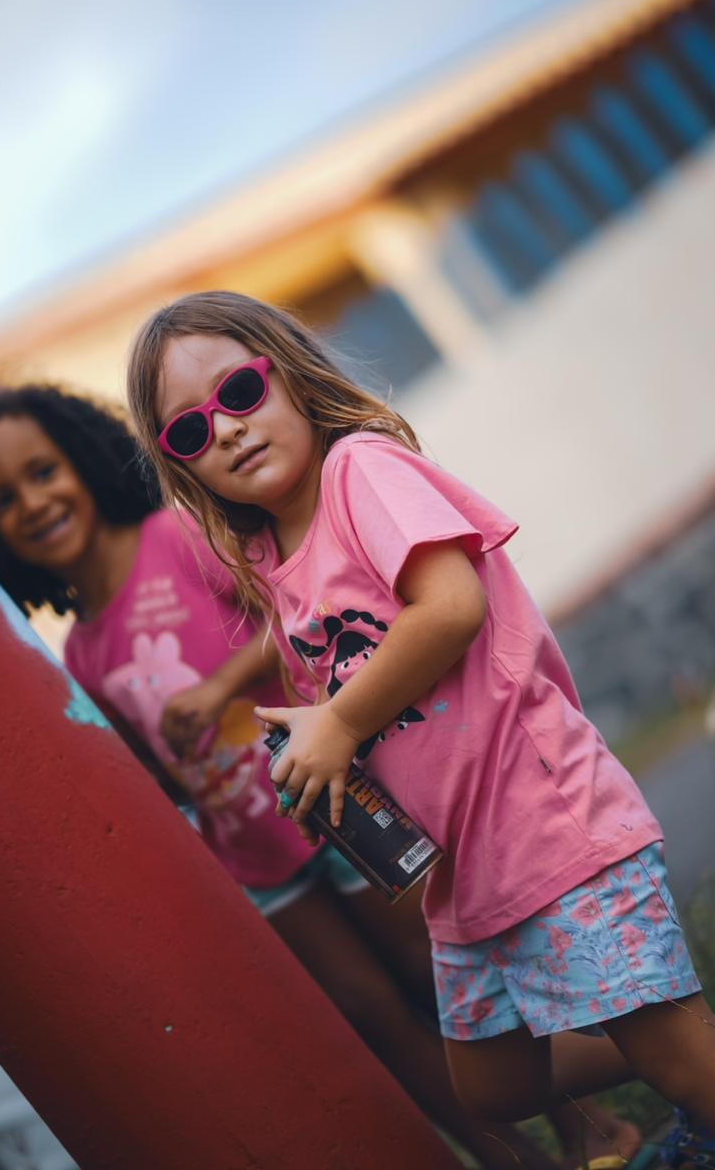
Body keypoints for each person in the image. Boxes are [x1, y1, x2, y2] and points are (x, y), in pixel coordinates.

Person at [0, 384, 621, 1170]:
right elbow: (153, 766)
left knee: (436, 981)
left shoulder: (179, 536)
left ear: (84, 459)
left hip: (338, 800)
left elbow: (290, 612)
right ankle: (505, 1160)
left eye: (43, 471)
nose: (33, 503)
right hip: (253, 852)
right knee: (369, 1015)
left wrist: (220, 688)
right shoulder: (81, 651)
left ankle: (588, 1125)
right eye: (2, 500)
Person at [125, 288, 715, 1160]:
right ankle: (664, 1047)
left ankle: (685, 1075)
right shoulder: (269, 561)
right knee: (493, 1083)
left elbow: (448, 608)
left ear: (288, 375)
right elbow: (350, 688)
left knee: (666, 1043)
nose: (229, 429)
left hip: (539, 819)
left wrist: (339, 720)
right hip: (460, 870)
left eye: (240, 393)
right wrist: (324, 754)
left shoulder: (358, 471)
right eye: (191, 431)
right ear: (183, 467)